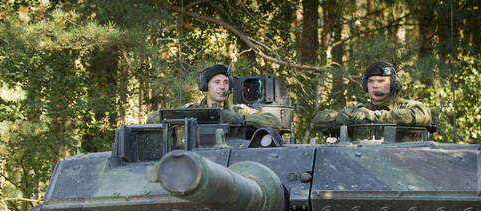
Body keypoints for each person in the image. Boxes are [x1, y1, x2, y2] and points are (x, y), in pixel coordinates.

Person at [147, 64, 282, 129]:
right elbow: (152, 119)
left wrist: (238, 118)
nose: (222, 87)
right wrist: (184, 116)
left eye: (226, 82)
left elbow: (274, 122)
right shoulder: (193, 109)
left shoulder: (238, 110)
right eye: (216, 82)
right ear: (206, 87)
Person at [312, 61, 432, 131]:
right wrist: (340, 118)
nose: (375, 86)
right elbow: (318, 119)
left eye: (381, 81)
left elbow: (423, 116)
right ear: (365, 86)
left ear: (393, 84)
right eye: (371, 81)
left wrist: (375, 116)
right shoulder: (360, 110)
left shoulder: (407, 106)